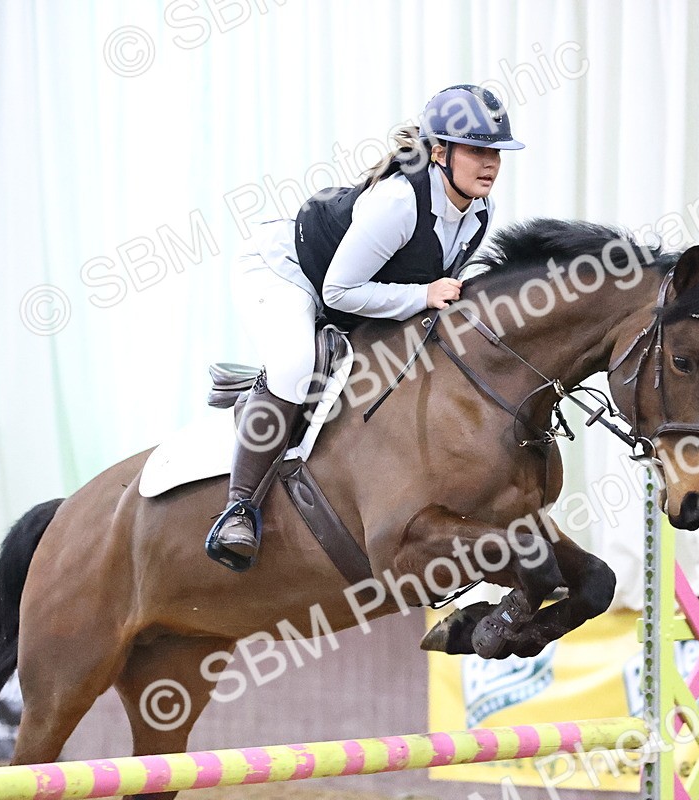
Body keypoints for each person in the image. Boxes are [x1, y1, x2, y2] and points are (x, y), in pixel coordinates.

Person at [207, 84, 524, 571]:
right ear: (440, 152)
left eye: (496, 152)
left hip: (348, 290)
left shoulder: (480, 211)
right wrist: (422, 295)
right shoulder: (399, 201)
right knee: (296, 365)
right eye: (478, 150)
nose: (491, 164)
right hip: (286, 271)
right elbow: (338, 292)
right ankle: (239, 508)